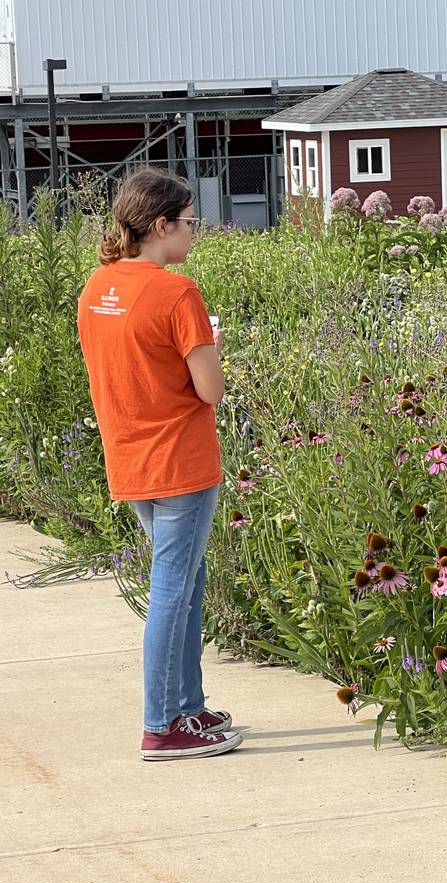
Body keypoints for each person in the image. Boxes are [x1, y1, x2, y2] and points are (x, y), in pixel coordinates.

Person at [77, 167, 243, 761]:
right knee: (173, 589)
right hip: (181, 461)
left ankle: (186, 706)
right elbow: (210, 391)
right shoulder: (179, 293)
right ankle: (160, 724)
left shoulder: (97, 289)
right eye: (189, 222)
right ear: (160, 224)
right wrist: (214, 351)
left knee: (187, 581)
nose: (195, 232)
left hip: (129, 458)